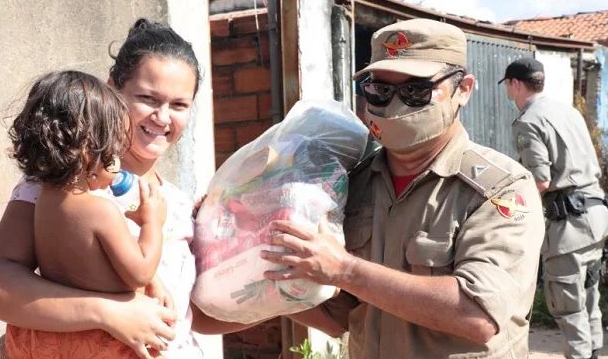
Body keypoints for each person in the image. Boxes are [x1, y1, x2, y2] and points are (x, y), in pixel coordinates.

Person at [260, 19, 545, 358]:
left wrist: (346, 269)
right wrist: (250, 254)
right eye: (380, 90)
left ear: (463, 89)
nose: (394, 105)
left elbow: (478, 314)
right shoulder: (354, 184)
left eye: (415, 91)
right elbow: (338, 314)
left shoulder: (500, 188)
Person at [0, 19, 248, 359]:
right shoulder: (58, 186)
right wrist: (108, 312)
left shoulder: (180, 203)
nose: (163, 118)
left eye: (179, 105)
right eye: (148, 98)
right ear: (113, 91)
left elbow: (191, 314)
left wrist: (274, 295)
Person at [3, 70, 170, 358]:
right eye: (113, 151)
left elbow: (85, 255)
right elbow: (139, 273)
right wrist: (152, 223)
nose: (118, 165)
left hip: (47, 338)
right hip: (102, 342)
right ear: (85, 152)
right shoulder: (100, 210)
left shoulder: (43, 202)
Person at [500, 57, 608, 359]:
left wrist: (505, 201)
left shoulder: (528, 120)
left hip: (569, 224)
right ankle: (593, 352)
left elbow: (540, 181)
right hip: (597, 214)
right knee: (588, 298)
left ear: (514, 83)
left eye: (508, 86)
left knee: (567, 307)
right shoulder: (568, 111)